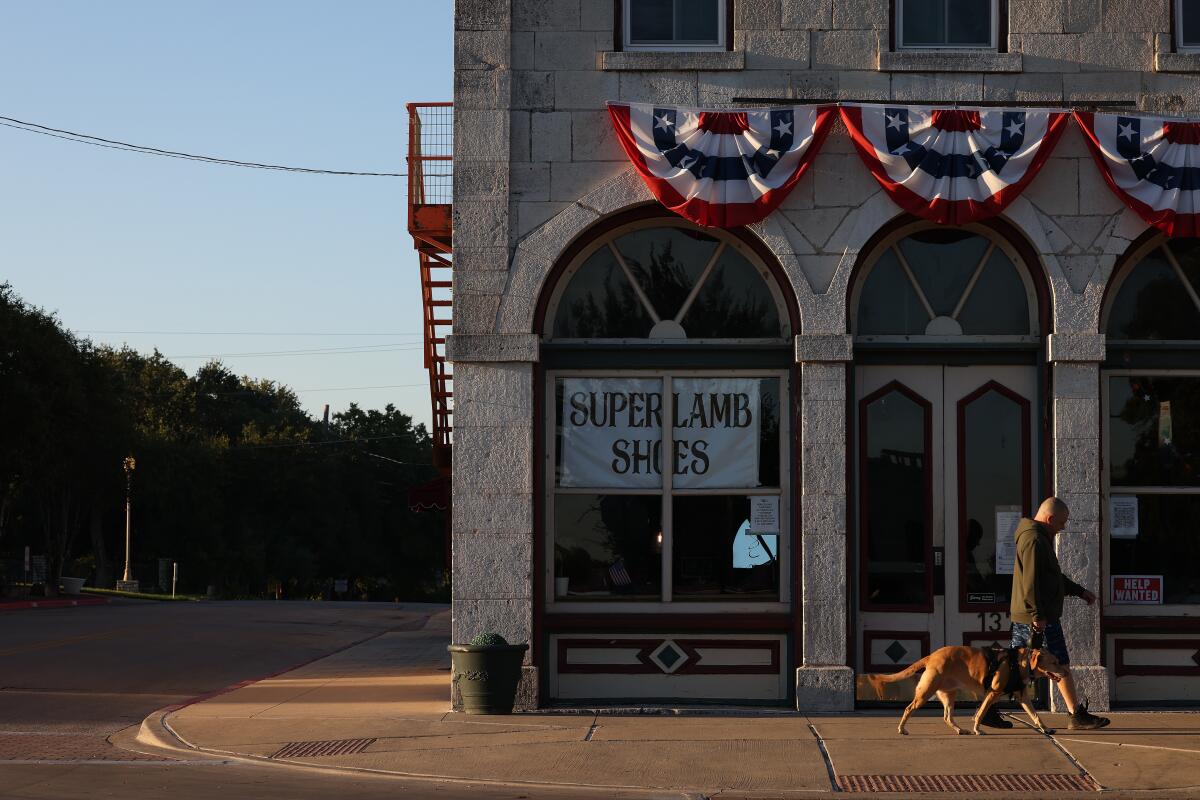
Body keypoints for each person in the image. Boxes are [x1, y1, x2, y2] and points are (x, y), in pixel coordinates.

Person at [980, 496, 1109, 730]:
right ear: (1049, 519)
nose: (1063, 527)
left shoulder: (1037, 537)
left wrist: (1079, 591)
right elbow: (1030, 582)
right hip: (1038, 618)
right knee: (1059, 663)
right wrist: (1037, 616)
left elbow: (1051, 577)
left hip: (1033, 616)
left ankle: (988, 710)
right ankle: (1076, 715)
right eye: (1061, 522)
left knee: (1015, 668)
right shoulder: (1034, 540)